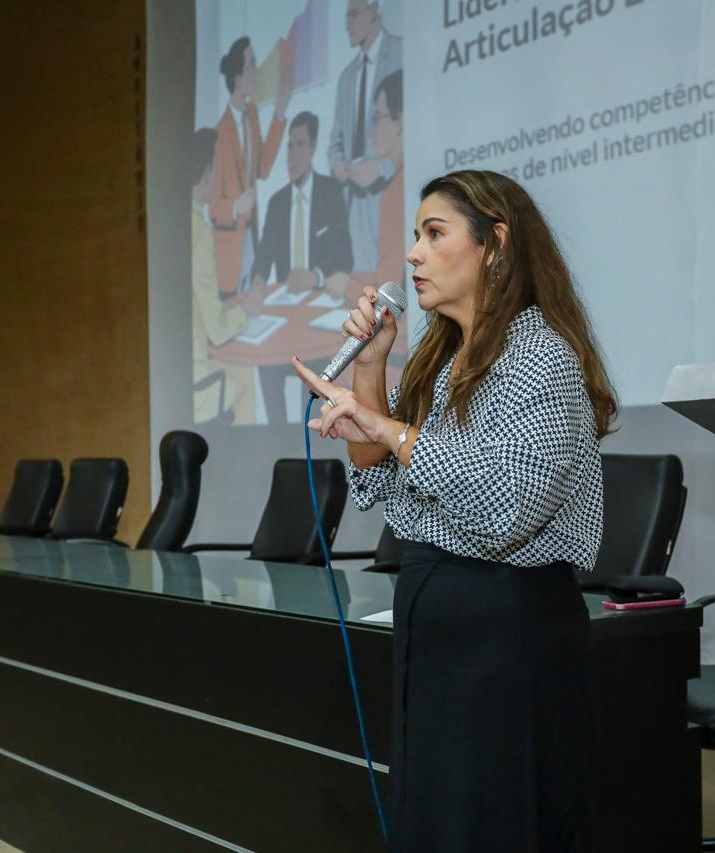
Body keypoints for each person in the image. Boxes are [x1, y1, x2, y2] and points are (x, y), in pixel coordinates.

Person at [292, 170, 619, 851]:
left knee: (496, 819)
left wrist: (392, 431)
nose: (413, 253)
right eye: (416, 235)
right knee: (438, 817)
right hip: (437, 609)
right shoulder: (443, 359)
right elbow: (377, 474)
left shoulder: (540, 356)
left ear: (494, 243)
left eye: (434, 234)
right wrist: (372, 367)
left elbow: (509, 507)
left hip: (508, 625)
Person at [211, 36, 293, 295]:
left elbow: (263, 169)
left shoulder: (252, 115)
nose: (257, 71)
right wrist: (236, 206)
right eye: (252, 65)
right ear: (237, 77)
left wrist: (280, 112)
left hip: (251, 237)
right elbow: (213, 207)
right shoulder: (219, 133)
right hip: (229, 246)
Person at [192, 128, 263, 424]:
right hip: (196, 385)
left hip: (187, 369)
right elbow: (218, 330)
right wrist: (248, 310)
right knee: (244, 376)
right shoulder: (199, 233)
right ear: (207, 172)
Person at [328, 0, 402, 272]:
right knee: (367, 286)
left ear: (374, 10)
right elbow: (335, 140)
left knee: (397, 282)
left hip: (393, 191)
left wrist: (382, 167)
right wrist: (337, 163)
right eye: (345, 18)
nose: (347, 25)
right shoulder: (346, 78)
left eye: (353, 15)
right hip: (354, 202)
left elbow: (416, 128)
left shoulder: (402, 53)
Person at [250, 110, 352, 292]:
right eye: (290, 147)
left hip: (322, 296)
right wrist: (258, 281)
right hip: (286, 300)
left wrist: (315, 276)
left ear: (313, 147)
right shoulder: (276, 203)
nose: (293, 155)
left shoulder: (331, 192)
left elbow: (344, 255)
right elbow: (263, 256)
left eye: (300, 145)